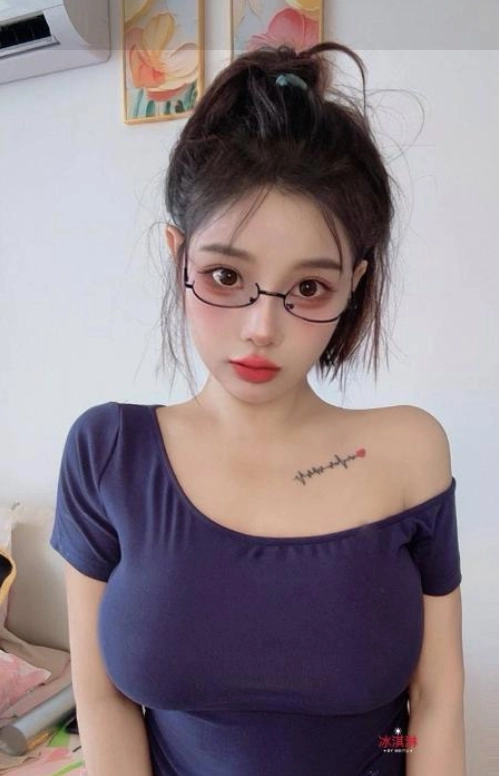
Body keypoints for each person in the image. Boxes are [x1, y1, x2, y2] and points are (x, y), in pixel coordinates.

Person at [50, 41, 465, 776]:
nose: (261, 328)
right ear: (178, 256)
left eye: (309, 288)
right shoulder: (108, 452)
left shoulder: (409, 452)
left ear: (354, 286)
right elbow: (104, 700)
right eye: (224, 276)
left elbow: (435, 700)